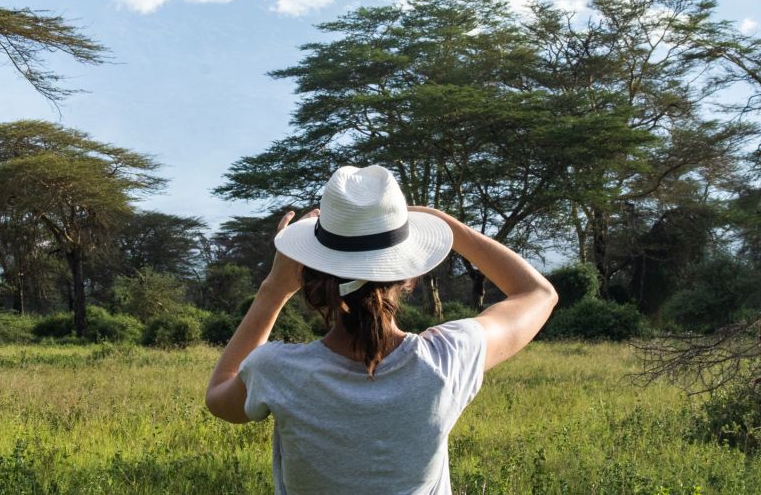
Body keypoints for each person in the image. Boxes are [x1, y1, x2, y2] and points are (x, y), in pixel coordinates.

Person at [205, 165, 558, 494]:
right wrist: (445, 226)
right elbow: (538, 294)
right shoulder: (446, 359)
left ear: (311, 276)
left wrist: (274, 288)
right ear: (410, 276)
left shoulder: (276, 370)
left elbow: (219, 397)